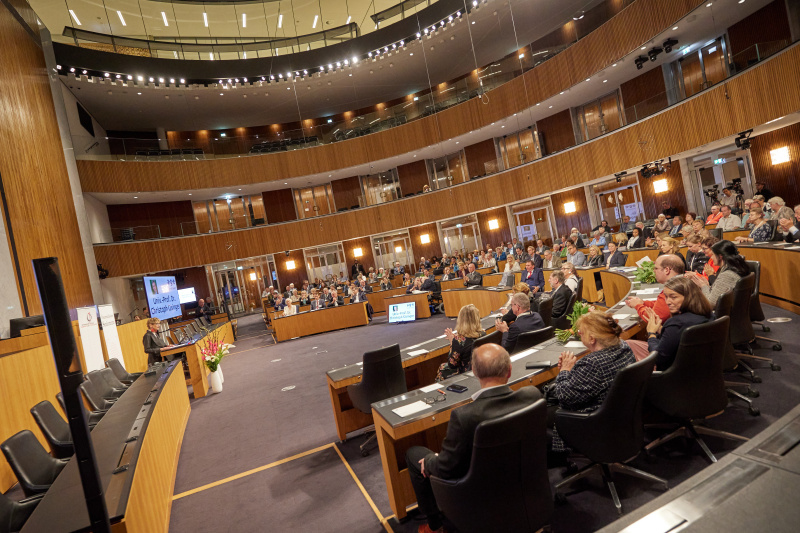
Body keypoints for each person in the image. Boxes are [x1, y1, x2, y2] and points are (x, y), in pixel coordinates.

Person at [406, 344, 541, 533]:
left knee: (415, 455)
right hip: (528, 491)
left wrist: (429, 462)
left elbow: (445, 468)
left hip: (478, 499)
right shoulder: (533, 396)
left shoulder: (464, 416)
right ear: (510, 371)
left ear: (474, 372)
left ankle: (435, 526)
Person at [548, 312, 634, 460]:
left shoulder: (592, 363)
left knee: (539, 411)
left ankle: (555, 460)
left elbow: (564, 397)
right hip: (622, 417)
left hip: (593, 422)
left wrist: (564, 371)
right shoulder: (624, 347)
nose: (579, 335)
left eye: (581, 332)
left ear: (592, 338)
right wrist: (572, 371)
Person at [644, 276, 713, 371]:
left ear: (688, 297)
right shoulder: (710, 315)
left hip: (674, 378)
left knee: (631, 344)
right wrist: (661, 329)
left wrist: (651, 334)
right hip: (703, 371)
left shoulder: (676, 324)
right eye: (666, 297)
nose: (668, 302)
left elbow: (658, 358)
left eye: (673, 297)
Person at [625, 254, 685, 323]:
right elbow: (661, 305)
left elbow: (655, 318)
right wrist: (643, 303)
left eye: (656, 268)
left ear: (666, 270)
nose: (654, 271)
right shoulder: (682, 281)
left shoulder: (673, 289)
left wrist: (638, 305)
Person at [689, 240, 750, 306]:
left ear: (720, 256)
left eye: (713, 255)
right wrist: (707, 285)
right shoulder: (739, 266)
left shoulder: (728, 275)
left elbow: (710, 303)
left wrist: (703, 286)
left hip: (722, 313)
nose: (711, 258)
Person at [435, 304, 484, 381]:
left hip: (466, 373)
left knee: (442, 367)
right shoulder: (483, 333)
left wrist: (452, 342)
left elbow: (452, 365)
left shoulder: (459, 341)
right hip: (482, 368)